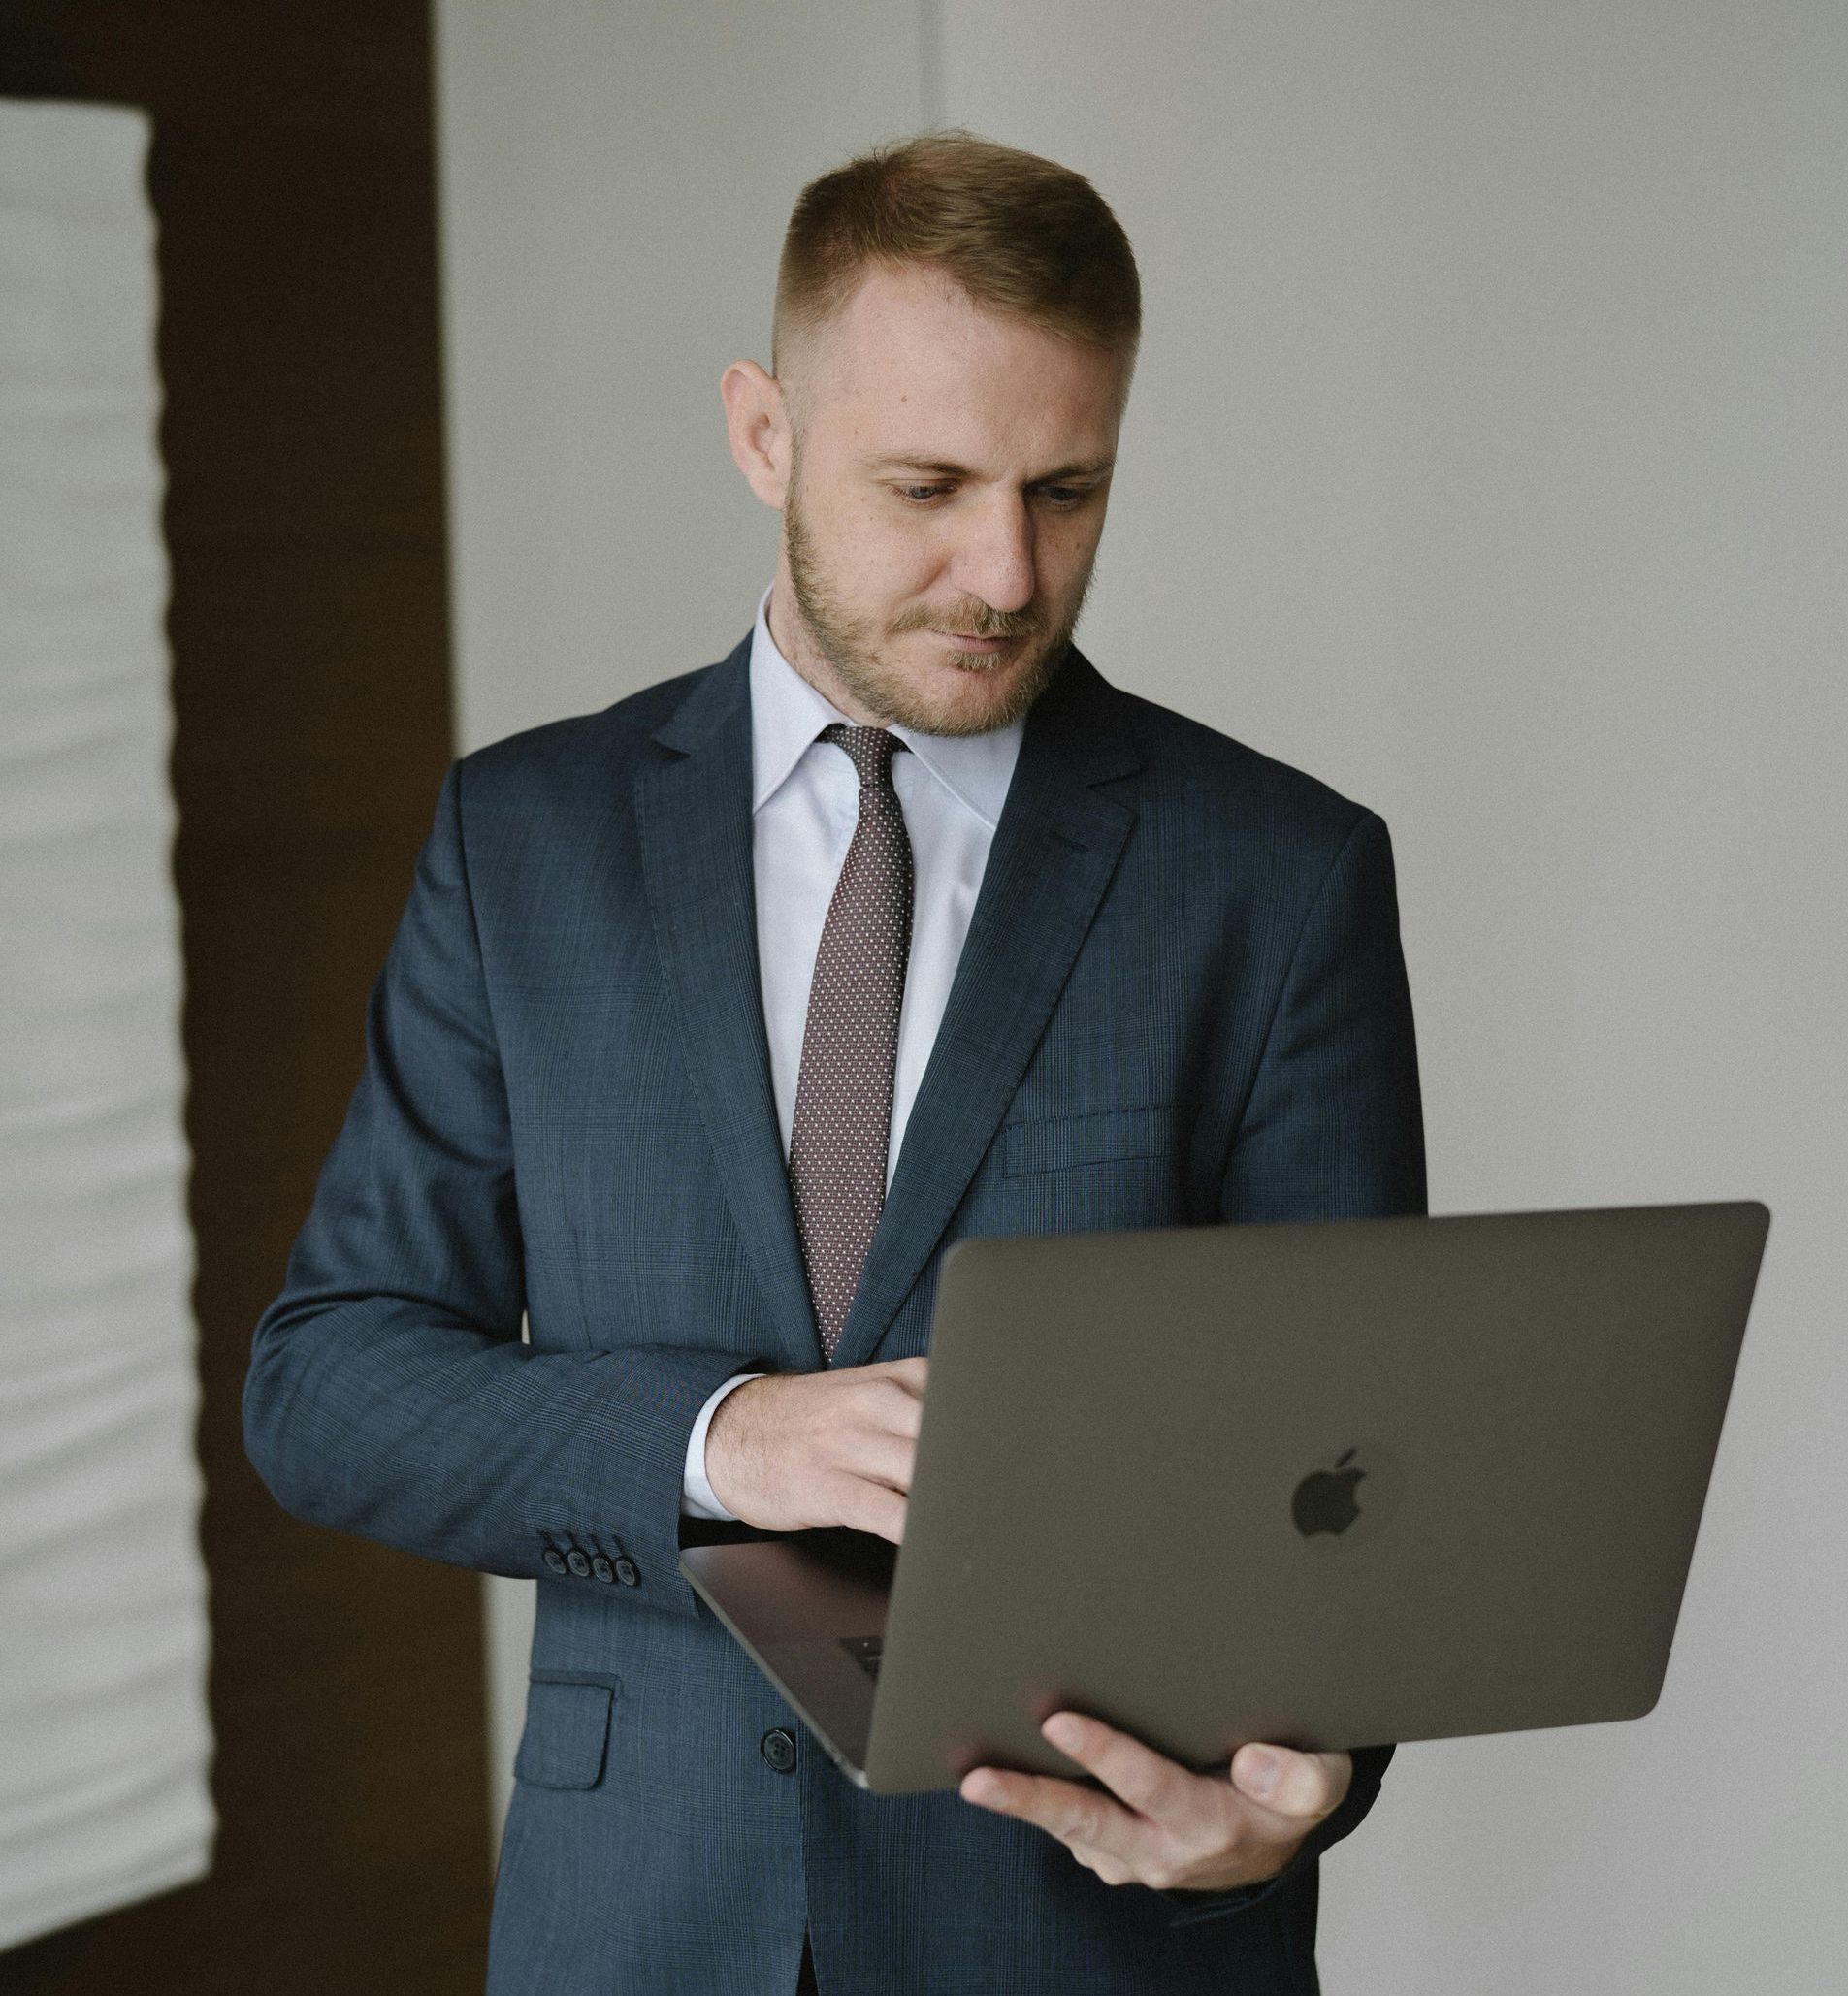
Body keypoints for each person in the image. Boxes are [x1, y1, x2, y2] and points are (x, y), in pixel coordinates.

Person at [243, 127, 1425, 1995]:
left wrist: (1292, 1805)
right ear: (761, 434)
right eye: (928, 484)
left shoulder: (1275, 876)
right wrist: (730, 1436)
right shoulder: (520, 841)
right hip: (635, 1927)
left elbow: (1367, 1475)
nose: (1003, 571)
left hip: (1082, 1934)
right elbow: (330, 1382)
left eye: (1067, 489)